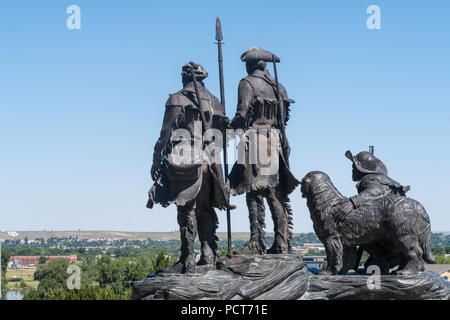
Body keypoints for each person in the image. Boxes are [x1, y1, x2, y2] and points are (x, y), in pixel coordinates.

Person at [147, 62, 230, 273]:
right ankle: (209, 254)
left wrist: (156, 160)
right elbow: (221, 137)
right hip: (210, 158)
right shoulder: (215, 102)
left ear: (184, 76)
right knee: (205, 209)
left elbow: (165, 134)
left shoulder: (177, 99)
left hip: (185, 158)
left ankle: (188, 260)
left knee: (186, 210)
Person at [228, 47, 299, 254]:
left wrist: (228, 128)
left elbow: (242, 114)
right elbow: (284, 119)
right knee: (275, 193)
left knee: (254, 193)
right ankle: (281, 241)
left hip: (256, 140)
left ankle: (256, 242)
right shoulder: (279, 87)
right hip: (277, 140)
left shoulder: (247, 83)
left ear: (250, 65)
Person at [336, 150, 410, 220]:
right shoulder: (381, 178)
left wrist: (352, 203)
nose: (352, 170)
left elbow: (375, 191)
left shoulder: (369, 178)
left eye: (354, 167)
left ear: (360, 169)